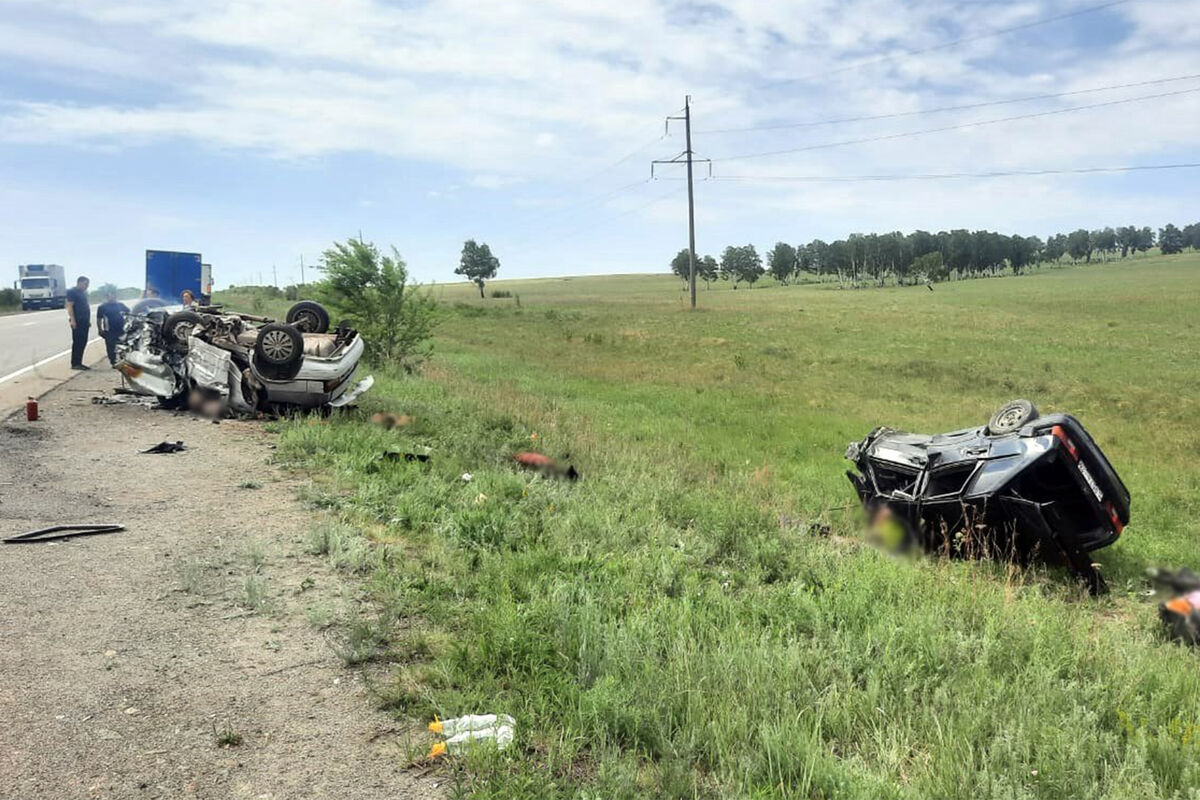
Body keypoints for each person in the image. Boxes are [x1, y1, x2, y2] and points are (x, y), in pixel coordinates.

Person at [96, 290, 130, 367]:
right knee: (111, 347)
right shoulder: (102, 307)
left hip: (121, 329)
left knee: (123, 346)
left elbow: (129, 314)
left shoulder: (121, 305)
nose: (112, 297)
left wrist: (128, 325)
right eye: (110, 296)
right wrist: (100, 329)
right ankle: (113, 361)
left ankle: (123, 360)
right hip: (109, 331)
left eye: (113, 296)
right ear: (107, 297)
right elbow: (99, 319)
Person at [65, 276, 91, 370]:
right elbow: (69, 306)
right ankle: (75, 363)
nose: (87, 286)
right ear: (79, 283)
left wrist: (87, 321)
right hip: (77, 321)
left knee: (83, 342)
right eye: (85, 284)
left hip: (84, 321)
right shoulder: (72, 292)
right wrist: (73, 320)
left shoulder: (83, 293)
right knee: (78, 342)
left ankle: (79, 362)